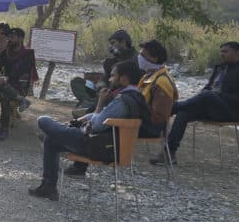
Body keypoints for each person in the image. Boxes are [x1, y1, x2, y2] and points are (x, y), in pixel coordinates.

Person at [29, 60, 148, 200]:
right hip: (110, 147)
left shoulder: (122, 101)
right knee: (51, 140)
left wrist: (100, 103)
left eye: (113, 76)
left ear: (123, 78)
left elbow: (96, 125)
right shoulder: (134, 97)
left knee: (43, 120)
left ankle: (57, 133)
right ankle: (48, 187)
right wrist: (78, 121)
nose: (109, 79)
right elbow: (102, 116)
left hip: (98, 146)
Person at [66, 39, 178, 178]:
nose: (140, 58)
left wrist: (132, 114)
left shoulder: (162, 81)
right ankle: (75, 148)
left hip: (148, 126)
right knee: (100, 111)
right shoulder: (150, 75)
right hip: (140, 119)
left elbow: (160, 116)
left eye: (143, 55)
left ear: (154, 58)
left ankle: (77, 152)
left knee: (102, 121)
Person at [152, 41, 239, 167]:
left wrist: (216, 96)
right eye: (221, 51)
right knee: (183, 113)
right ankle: (169, 154)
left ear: (237, 53)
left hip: (234, 111)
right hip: (213, 108)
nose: (222, 54)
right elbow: (208, 87)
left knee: (207, 95)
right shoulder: (220, 68)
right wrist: (208, 96)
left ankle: (171, 108)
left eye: (225, 51)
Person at [70, 29, 138, 113]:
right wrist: (100, 85)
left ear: (123, 42)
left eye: (113, 43)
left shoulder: (134, 60)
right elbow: (105, 78)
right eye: (110, 44)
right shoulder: (111, 61)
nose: (110, 46)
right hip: (103, 91)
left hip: (115, 94)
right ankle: (89, 102)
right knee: (76, 81)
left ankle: (92, 105)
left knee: (77, 113)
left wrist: (106, 91)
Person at [0, 27, 38, 141]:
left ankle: (4, 129)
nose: (9, 39)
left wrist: (5, 79)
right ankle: (21, 101)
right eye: (9, 36)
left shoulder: (28, 54)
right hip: (6, 84)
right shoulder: (5, 52)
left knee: (4, 95)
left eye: (12, 37)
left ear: (20, 38)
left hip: (20, 86)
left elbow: (20, 72)